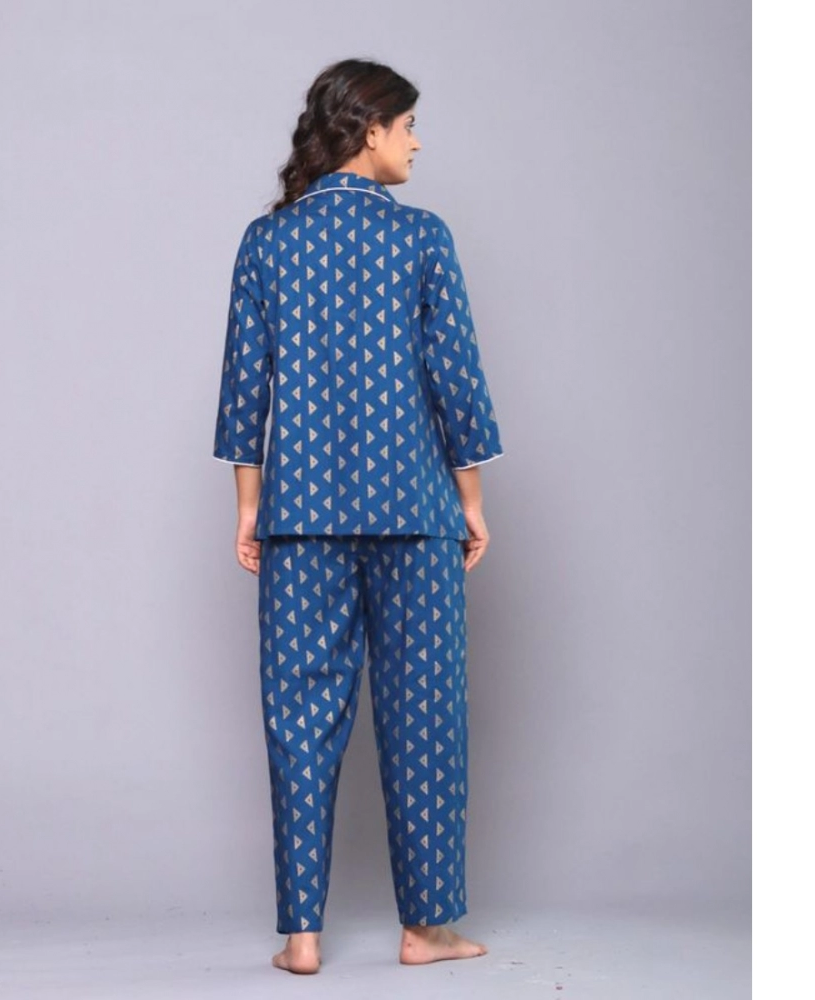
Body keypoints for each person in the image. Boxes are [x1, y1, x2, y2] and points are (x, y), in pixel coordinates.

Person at [212, 57, 504, 974]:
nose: (417, 142)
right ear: (370, 130)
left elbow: (244, 390)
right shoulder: (421, 238)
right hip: (413, 512)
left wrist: (250, 510)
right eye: (408, 125)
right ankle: (427, 929)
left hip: (299, 514)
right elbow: (456, 378)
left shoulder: (268, 241)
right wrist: (471, 500)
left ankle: (301, 936)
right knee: (424, 719)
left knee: (298, 720)